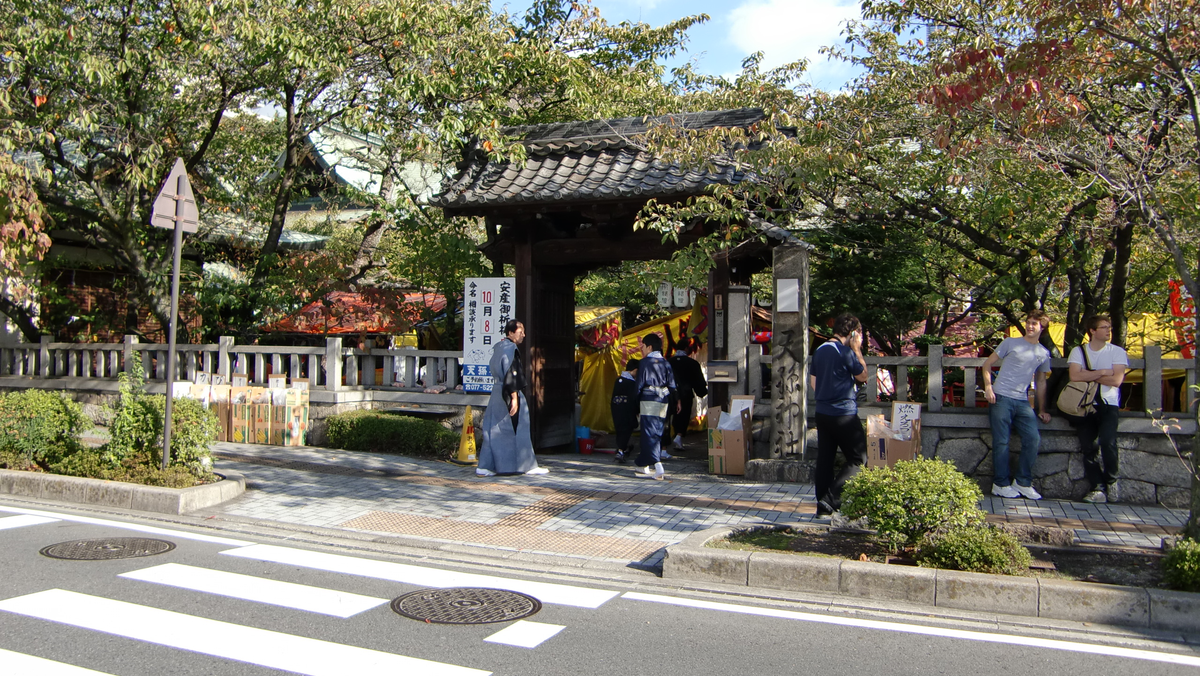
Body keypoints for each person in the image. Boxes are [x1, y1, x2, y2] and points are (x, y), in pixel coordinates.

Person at [982, 310, 1053, 499]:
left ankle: (1022, 482)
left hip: (1022, 401)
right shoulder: (1010, 342)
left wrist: (1042, 409)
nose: (1030, 326)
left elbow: (1041, 381)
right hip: (1001, 397)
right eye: (1028, 322)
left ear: (1042, 328)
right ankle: (1000, 483)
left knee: (1033, 438)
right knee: (1002, 441)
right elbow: (987, 364)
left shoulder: (1043, 353)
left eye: (1035, 324)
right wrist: (989, 387)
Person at [809, 313, 869, 517]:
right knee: (858, 458)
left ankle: (822, 506)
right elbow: (863, 375)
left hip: (822, 412)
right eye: (859, 333)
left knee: (825, 459)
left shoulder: (820, 350)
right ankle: (831, 499)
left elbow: (813, 383)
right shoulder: (845, 352)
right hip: (843, 412)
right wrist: (857, 349)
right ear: (853, 333)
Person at [1068, 315, 1127, 503]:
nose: (1108, 330)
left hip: (1108, 403)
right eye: (1104, 327)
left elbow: (1116, 380)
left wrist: (1089, 375)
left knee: (1108, 441)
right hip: (1084, 405)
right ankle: (1097, 487)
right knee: (1088, 447)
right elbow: (1074, 377)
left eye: (1109, 327)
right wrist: (1102, 372)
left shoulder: (1117, 352)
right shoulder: (1079, 352)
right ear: (1092, 331)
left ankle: (1111, 480)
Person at [477, 320, 548, 477]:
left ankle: (485, 466)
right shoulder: (510, 349)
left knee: (493, 429)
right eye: (520, 330)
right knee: (518, 428)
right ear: (510, 333)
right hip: (507, 392)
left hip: (496, 392)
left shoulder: (498, 347)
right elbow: (511, 373)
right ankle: (526, 465)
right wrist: (514, 397)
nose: (523, 334)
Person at [632, 333, 678, 480]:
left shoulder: (645, 363)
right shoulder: (666, 363)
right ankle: (643, 464)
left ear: (649, 347)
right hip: (663, 400)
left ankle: (658, 466)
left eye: (643, 346)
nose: (642, 349)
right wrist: (675, 401)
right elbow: (672, 386)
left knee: (648, 433)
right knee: (657, 431)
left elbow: (638, 386)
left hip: (648, 400)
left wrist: (634, 404)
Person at [666, 337, 708, 456]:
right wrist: (703, 391)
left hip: (669, 393)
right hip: (685, 393)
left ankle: (665, 442)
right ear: (686, 348)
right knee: (683, 415)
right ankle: (678, 437)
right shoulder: (692, 363)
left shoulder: (669, 362)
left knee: (668, 416)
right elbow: (698, 380)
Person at [611, 358, 640, 464]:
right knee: (626, 430)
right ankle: (621, 450)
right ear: (636, 370)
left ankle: (623, 448)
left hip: (616, 408)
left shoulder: (618, 381)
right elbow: (634, 399)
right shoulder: (632, 384)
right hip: (628, 410)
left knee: (620, 430)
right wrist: (637, 410)